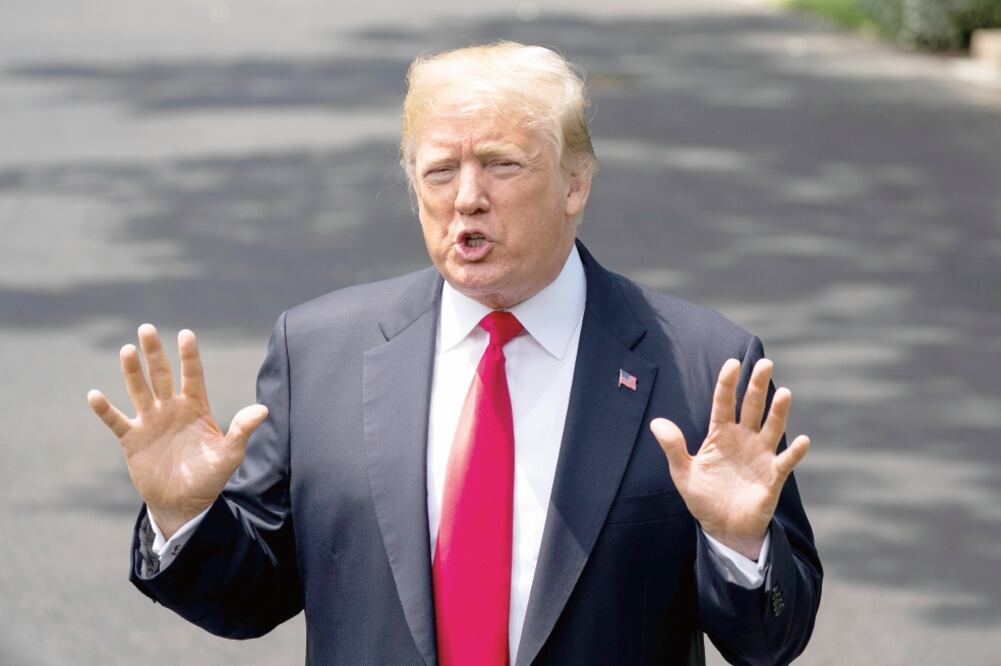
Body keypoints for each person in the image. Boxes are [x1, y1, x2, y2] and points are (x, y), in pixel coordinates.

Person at [87, 42, 822, 665]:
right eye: (440, 171)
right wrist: (182, 517)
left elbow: (770, 640)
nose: (467, 198)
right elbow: (249, 599)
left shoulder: (702, 366)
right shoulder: (319, 352)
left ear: (574, 183)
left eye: (501, 165)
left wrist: (738, 543)